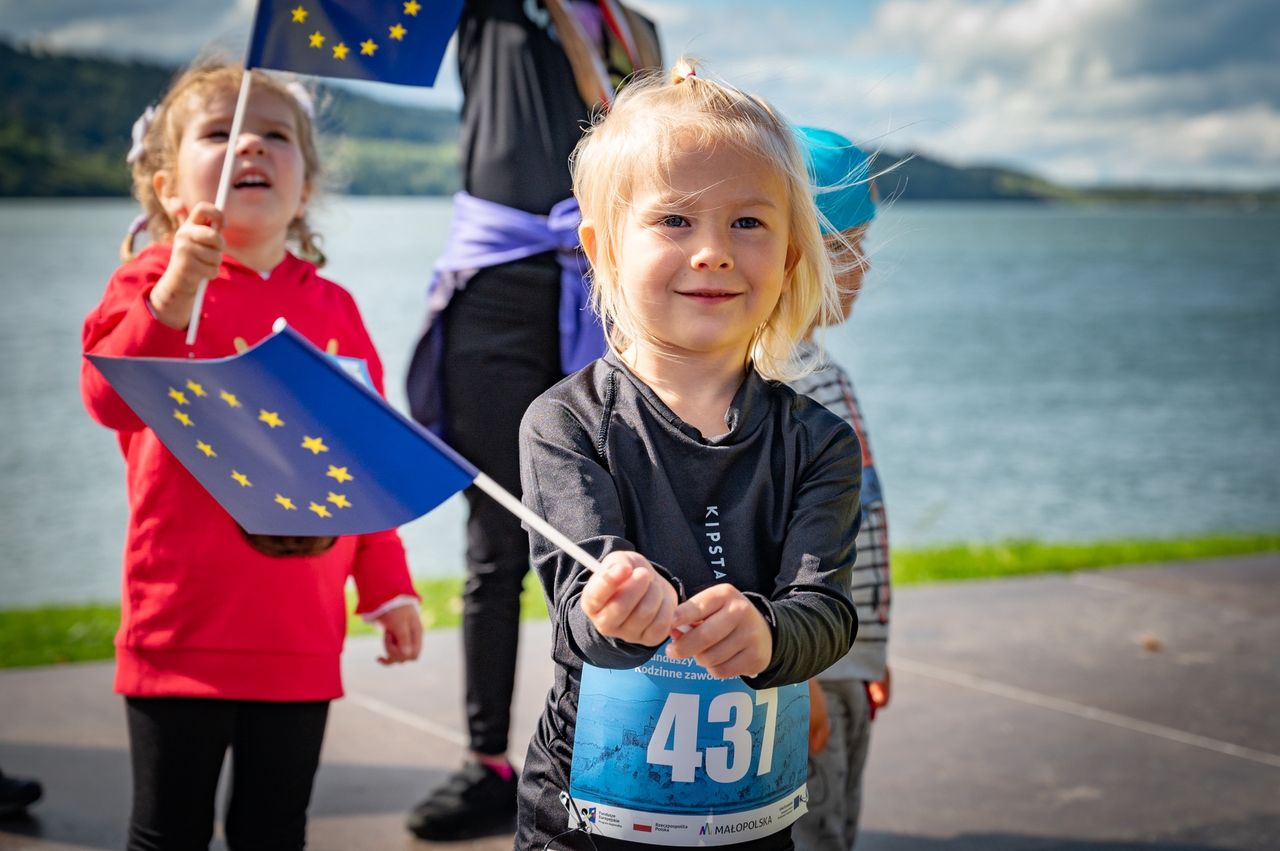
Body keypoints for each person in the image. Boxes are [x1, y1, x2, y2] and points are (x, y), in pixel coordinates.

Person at [515, 61, 862, 850]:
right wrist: (616, 609)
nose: (711, 251)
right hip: (586, 818)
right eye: (674, 220)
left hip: (750, 817)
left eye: (747, 223)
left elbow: (826, 612)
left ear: (791, 261)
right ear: (603, 250)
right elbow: (579, 620)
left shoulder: (820, 442)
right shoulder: (565, 422)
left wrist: (771, 635)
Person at [80, 62, 422, 851]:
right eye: (221, 133)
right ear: (169, 188)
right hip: (180, 628)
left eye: (274, 135)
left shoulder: (333, 308)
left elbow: (362, 465)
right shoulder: (144, 281)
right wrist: (173, 295)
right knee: (168, 833)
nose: (250, 148)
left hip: (300, 635)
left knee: (274, 830)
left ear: (304, 189)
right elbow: (106, 400)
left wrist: (389, 586)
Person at [404, 0, 660, 840]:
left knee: (601, 539)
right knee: (493, 540)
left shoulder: (636, 34)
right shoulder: (495, 12)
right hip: (496, 297)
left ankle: (594, 750)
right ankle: (486, 761)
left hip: (603, 293)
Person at [788, 128, 891, 851]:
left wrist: (872, 654)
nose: (863, 269)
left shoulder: (823, 371)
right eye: (851, 247)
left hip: (845, 660)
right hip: (805, 672)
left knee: (837, 826)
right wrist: (805, 676)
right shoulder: (781, 386)